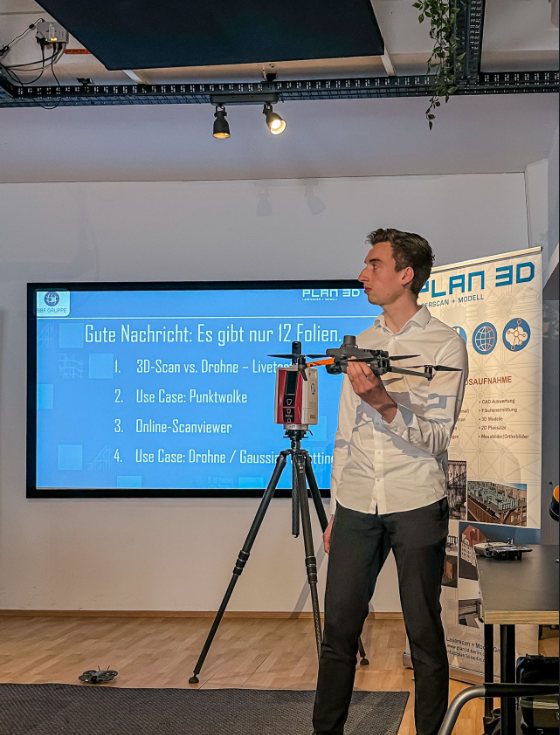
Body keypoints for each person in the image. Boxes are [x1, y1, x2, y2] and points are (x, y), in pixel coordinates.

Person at [312, 228, 469, 735]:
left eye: (373, 264)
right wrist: (337, 509)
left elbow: (437, 437)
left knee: (423, 631)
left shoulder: (444, 344)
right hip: (357, 505)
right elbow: (344, 437)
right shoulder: (362, 344)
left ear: (406, 274)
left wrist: (384, 403)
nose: (362, 274)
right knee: (338, 630)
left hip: (416, 500)